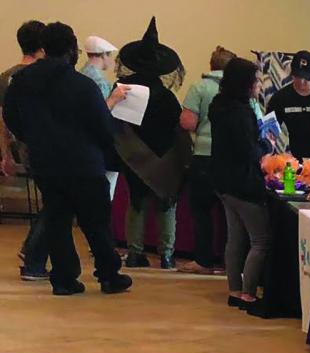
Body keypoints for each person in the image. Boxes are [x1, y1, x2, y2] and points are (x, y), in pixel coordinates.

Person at [2, 21, 131, 295]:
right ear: (72, 49)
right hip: (84, 162)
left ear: (44, 47)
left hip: (44, 162)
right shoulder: (82, 85)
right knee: (95, 222)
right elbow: (102, 125)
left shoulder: (23, 81)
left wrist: (32, 138)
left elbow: (11, 116)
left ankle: (63, 279)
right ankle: (109, 275)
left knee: (57, 221)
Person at [116, 17, 187, 271]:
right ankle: (166, 256)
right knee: (166, 203)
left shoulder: (124, 91)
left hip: (133, 156)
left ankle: (135, 253)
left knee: (136, 203)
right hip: (164, 157)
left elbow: (116, 125)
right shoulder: (167, 97)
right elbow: (177, 127)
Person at [209, 57, 273, 316]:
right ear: (246, 83)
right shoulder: (242, 112)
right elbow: (249, 151)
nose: (259, 85)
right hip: (244, 183)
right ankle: (248, 293)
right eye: (256, 80)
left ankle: (234, 290)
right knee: (260, 241)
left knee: (235, 238)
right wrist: (266, 145)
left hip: (222, 181)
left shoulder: (219, 105)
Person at [177, 46, 236, 274]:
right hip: (230, 159)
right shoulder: (239, 90)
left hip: (203, 156)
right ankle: (230, 262)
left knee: (201, 210)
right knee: (230, 214)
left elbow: (187, 122)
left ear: (211, 65)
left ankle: (203, 260)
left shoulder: (199, 88)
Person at [1, 20, 47, 280]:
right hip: (42, 147)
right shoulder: (42, 76)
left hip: (18, 146)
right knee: (55, 201)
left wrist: (6, 154)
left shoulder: (5, 76)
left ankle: (34, 248)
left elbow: (2, 121)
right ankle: (33, 249)